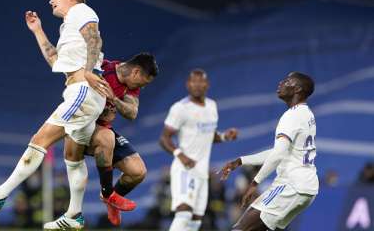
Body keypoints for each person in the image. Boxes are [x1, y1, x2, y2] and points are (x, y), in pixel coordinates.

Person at [0, 0, 112, 230]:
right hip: (84, 93)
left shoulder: (81, 11)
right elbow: (55, 59)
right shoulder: (68, 27)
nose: (50, 1)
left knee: (40, 138)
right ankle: (74, 215)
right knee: (73, 158)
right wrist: (37, 30)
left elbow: (94, 38)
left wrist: (87, 71)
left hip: (83, 92)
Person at [219, 72, 318, 231]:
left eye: (287, 81)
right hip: (307, 188)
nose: (281, 83)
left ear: (297, 89)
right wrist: (241, 161)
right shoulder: (307, 114)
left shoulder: (291, 116)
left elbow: (278, 154)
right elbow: (279, 151)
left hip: (291, 185)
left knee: (240, 229)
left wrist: (254, 183)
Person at [159, 69, 238, 231]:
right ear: (188, 85)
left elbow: (209, 134)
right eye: (193, 82)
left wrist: (224, 136)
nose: (197, 85)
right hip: (184, 170)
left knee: (195, 222)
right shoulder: (180, 108)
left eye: (200, 81)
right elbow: (164, 138)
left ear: (207, 84)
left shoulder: (212, 106)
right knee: (184, 214)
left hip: (202, 173)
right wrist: (180, 155)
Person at [84, 52, 158, 226]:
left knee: (138, 172)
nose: (142, 86)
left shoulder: (131, 88)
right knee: (107, 136)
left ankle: (111, 200)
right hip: (82, 126)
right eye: (143, 82)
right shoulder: (102, 68)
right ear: (136, 72)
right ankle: (108, 192)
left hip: (102, 129)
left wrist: (114, 99)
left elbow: (132, 113)